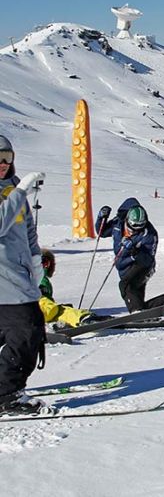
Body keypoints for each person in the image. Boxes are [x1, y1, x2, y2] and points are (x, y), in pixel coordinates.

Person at [0, 135, 48, 416]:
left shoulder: (11, 188)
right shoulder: (15, 192)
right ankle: (6, 395)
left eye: (7, 158)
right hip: (5, 279)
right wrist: (20, 193)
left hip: (16, 274)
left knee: (18, 331)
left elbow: (27, 227)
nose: (3, 164)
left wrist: (35, 259)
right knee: (28, 331)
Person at [95, 198, 164, 316]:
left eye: (139, 227)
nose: (134, 230)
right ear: (127, 219)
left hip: (142, 267)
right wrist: (102, 217)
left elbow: (148, 259)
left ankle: (138, 314)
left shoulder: (150, 234)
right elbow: (102, 232)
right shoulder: (118, 223)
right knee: (138, 304)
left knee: (126, 286)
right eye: (132, 226)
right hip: (124, 268)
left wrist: (133, 249)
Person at [38, 249, 94, 328]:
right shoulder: (25, 277)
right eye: (37, 264)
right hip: (27, 308)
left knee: (64, 312)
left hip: (47, 311)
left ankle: (83, 318)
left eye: (45, 263)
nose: (42, 267)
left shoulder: (44, 280)